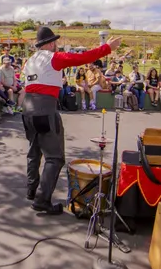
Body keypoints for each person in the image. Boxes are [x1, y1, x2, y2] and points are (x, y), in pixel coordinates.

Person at [22, 26, 119, 215]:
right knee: (55, 158)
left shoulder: (29, 61)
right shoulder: (53, 57)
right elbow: (82, 58)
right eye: (55, 42)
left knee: (34, 150)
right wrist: (107, 48)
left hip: (27, 109)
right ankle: (42, 201)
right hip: (45, 108)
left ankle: (32, 190)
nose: (57, 45)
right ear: (50, 44)